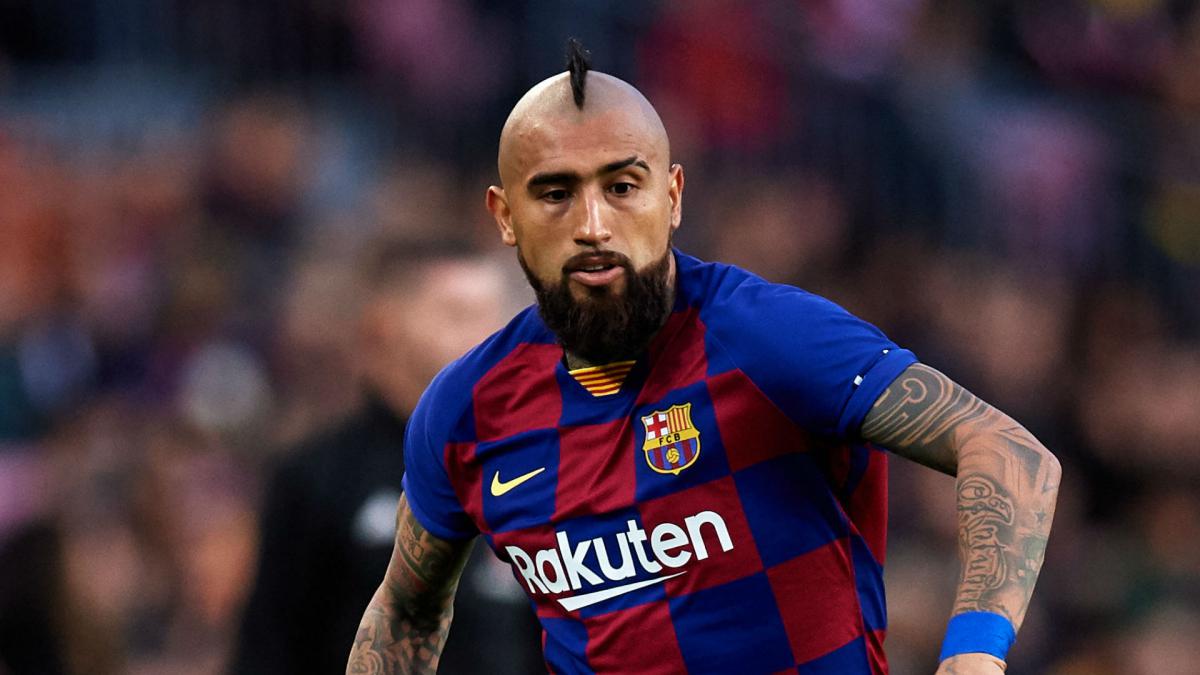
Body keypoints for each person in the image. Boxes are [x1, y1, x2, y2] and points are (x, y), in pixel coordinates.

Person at [346, 44, 1061, 675]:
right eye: (556, 193)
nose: (593, 225)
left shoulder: (766, 337)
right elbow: (404, 612)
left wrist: (974, 653)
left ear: (672, 195)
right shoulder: (466, 410)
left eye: (622, 187)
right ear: (505, 216)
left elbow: (1007, 451)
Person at [232, 242, 542, 675]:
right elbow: (269, 650)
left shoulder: (536, 473)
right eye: (457, 315)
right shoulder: (318, 478)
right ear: (385, 325)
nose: (487, 337)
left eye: (495, 316)